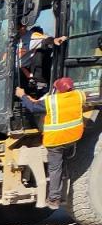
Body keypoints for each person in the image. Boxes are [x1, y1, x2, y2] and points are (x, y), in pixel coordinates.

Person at [16, 77, 87, 208]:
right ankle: (64, 195)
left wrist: (22, 96)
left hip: (55, 141)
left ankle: (54, 199)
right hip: (72, 138)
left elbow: (32, 107)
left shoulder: (51, 101)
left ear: (57, 90)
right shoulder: (79, 95)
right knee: (64, 165)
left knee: (55, 169)